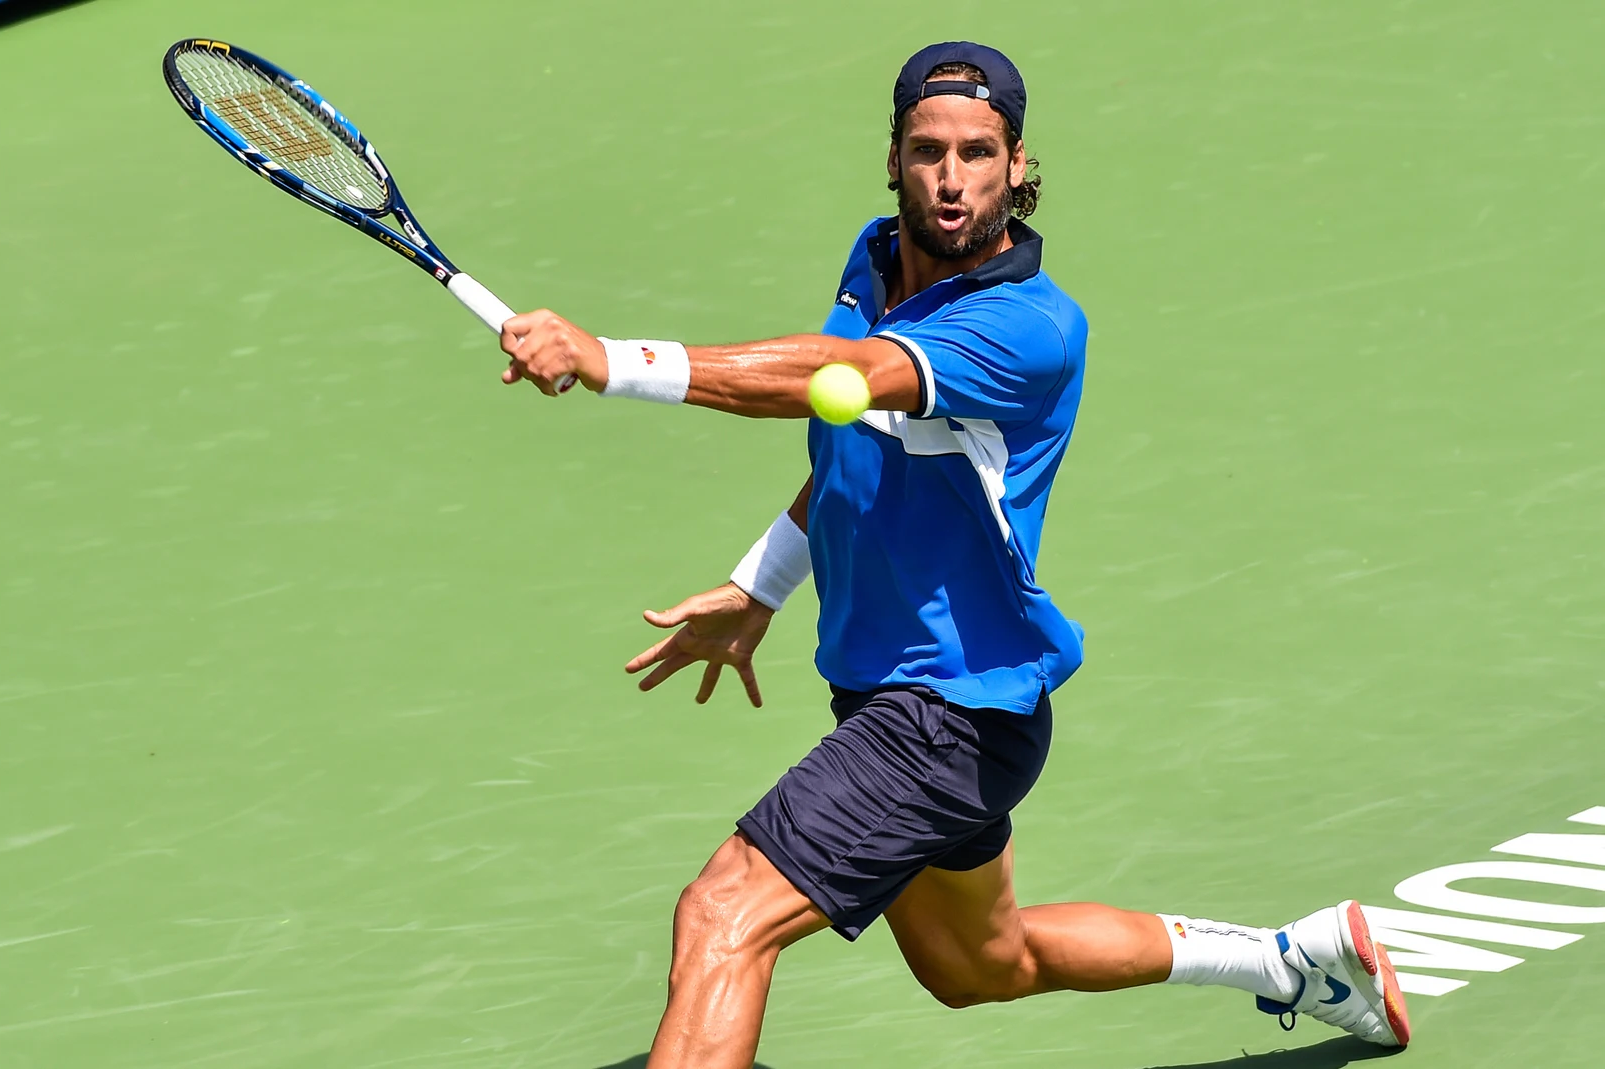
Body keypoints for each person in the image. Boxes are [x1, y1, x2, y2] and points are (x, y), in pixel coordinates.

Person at [496, 41, 1410, 1069]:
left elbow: (841, 376)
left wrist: (608, 360)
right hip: (899, 692)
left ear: (1017, 165)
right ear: (892, 158)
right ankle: (1293, 962)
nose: (951, 177)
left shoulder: (1028, 328)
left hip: (948, 713)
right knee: (981, 961)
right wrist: (762, 583)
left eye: (978, 153)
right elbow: (852, 450)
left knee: (724, 914)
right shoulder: (876, 260)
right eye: (928, 150)